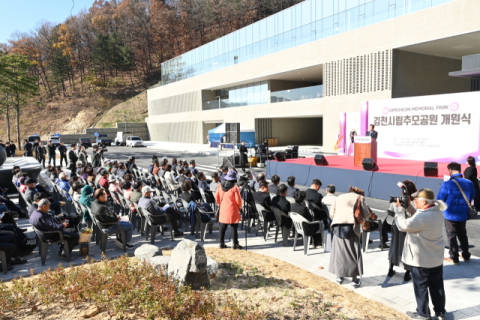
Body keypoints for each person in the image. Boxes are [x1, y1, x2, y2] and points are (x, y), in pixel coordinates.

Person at [394, 189, 446, 320]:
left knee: (421, 287)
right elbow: (418, 216)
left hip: (421, 259)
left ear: (423, 201)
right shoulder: (437, 212)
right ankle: (440, 312)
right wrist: (410, 206)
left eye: (415, 199)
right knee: (437, 286)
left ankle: (423, 314)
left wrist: (399, 210)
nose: (413, 201)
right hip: (435, 258)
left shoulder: (423, 217)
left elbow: (402, 225)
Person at [329, 186, 378, 288]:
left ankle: (339, 277)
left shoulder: (339, 197)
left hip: (337, 227)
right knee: (353, 253)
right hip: (351, 228)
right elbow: (366, 215)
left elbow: (331, 213)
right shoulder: (360, 198)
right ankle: (354, 280)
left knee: (339, 253)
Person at [437, 162, 474, 265]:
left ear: (450, 170)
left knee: (451, 235)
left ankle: (454, 258)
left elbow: (440, 199)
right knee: (463, 234)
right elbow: (472, 196)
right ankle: (466, 255)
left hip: (449, 214)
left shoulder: (447, 184)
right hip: (463, 214)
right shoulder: (469, 183)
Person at [386, 180, 417, 282]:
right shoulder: (415, 202)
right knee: (408, 250)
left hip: (396, 226)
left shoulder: (397, 200)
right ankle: (407, 273)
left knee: (394, 247)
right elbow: (416, 215)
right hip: (409, 227)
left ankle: (390, 269)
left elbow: (390, 213)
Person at [216, 170, 242, 249]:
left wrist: (219, 204)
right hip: (232, 209)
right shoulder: (235, 187)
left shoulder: (220, 185)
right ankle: (235, 244)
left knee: (222, 227)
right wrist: (240, 207)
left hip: (223, 208)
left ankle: (221, 243)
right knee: (234, 227)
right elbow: (238, 200)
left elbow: (217, 197)